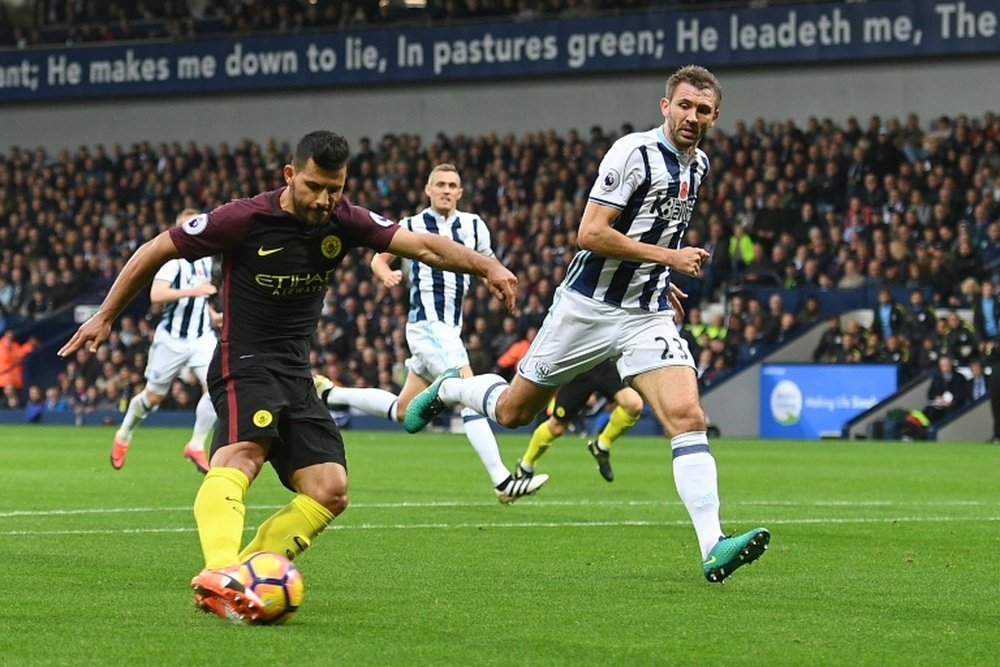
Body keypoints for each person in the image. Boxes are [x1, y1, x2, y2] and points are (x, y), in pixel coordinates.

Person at [58, 130, 518, 623]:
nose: (324, 200)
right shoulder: (244, 218)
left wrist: (487, 265)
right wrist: (106, 314)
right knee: (242, 455)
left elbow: (424, 247)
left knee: (330, 488)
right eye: (315, 186)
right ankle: (219, 571)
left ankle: (245, 574)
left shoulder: (346, 220)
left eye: (334, 189)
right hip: (245, 361)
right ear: (290, 175)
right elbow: (157, 249)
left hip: (297, 372)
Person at [403, 65, 769, 583]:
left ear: (715, 116)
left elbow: (656, 225)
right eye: (683, 105)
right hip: (586, 308)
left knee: (687, 415)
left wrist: (659, 279)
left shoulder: (700, 163)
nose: (692, 116)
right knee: (513, 412)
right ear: (665, 106)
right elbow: (590, 233)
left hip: (645, 313)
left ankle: (713, 543)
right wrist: (667, 258)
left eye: (703, 110)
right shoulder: (632, 153)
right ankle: (453, 390)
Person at [315, 163, 547, 503]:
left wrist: (500, 283)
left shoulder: (474, 225)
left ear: (460, 192)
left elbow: (489, 262)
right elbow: (379, 259)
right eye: (440, 184)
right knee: (467, 388)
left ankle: (331, 395)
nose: (446, 190)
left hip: (449, 328)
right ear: (428, 190)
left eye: (452, 184)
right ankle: (502, 481)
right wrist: (384, 274)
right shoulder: (411, 225)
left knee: (403, 410)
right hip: (427, 325)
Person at [109, 208, 220, 474]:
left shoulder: (205, 261)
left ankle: (196, 444)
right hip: (171, 340)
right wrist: (195, 290)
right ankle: (124, 434)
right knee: (153, 397)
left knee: (217, 388)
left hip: (202, 336)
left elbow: (201, 300)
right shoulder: (173, 261)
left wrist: (214, 316)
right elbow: (157, 295)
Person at [515, 359, 644, 483]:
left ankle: (601, 446)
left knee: (633, 405)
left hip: (603, 364)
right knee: (557, 427)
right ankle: (526, 465)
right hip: (579, 369)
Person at [923, 354, 971, 423]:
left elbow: (963, 393)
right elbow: (930, 393)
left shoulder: (959, 377)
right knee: (929, 410)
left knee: (950, 410)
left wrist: (952, 401)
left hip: (954, 404)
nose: (945, 368)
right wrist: (937, 397)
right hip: (939, 405)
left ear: (951, 365)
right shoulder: (937, 378)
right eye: (943, 366)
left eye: (947, 365)